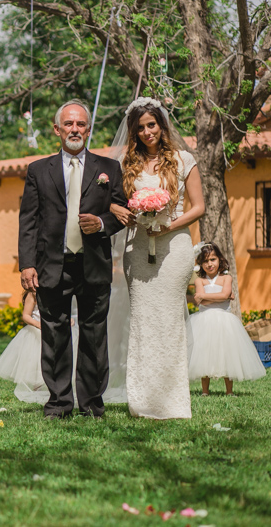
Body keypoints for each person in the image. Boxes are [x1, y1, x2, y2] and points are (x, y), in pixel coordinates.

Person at [18, 99, 128, 419]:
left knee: (94, 335)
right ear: (57, 129)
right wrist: (27, 264)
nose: (75, 129)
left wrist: (103, 224)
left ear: (89, 129)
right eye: (69, 124)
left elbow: (121, 214)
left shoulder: (110, 169)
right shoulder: (38, 170)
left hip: (93, 262)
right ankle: (59, 403)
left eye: (81, 124)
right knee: (54, 334)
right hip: (53, 263)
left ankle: (92, 404)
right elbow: (29, 221)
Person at [108, 97, 205, 419]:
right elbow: (111, 200)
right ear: (133, 133)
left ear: (161, 126)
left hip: (174, 246)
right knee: (144, 322)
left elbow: (198, 207)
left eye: (151, 125)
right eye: (140, 128)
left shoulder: (183, 159)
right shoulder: (127, 165)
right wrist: (117, 209)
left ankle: (173, 402)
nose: (147, 132)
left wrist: (167, 225)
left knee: (169, 321)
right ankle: (143, 401)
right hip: (137, 248)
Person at [187, 242, 267, 395]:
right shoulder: (199, 281)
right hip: (204, 321)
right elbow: (200, 301)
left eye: (212, 259)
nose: (209, 264)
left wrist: (206, 295)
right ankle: (205, 391)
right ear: (200, 264)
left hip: (224, 321)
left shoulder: (226, 278)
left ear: (219, 259)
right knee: (203, 354)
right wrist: (217, 298)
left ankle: (229, 391)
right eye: (205, 261)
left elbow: (224, 295)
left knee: (227, 354)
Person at [0, 291, 80, 403]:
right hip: (37, 332)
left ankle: (56, 388)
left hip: (57, 331)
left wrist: (69, 319)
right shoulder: (33, 294)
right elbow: (26, 316)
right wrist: (39, 324)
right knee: (37, 362)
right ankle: (37, 389)